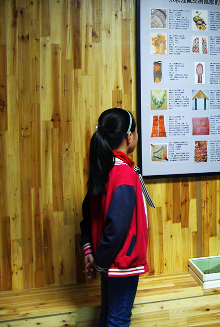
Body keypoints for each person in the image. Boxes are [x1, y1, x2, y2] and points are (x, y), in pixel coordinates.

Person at [80, 107, 151, 327]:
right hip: (121, 262)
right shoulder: (124, 174)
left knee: (108, 317)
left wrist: (91, 252)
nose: (137, 136)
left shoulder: (105, 167)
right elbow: (117, 227)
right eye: (136, 132)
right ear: (129, 137)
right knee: (118, 320)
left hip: (107, 258)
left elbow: (88, 213)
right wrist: (99, 262)